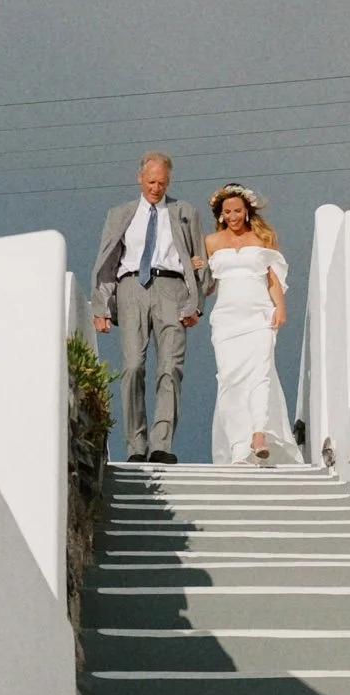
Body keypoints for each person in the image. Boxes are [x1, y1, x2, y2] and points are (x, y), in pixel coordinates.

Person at [91, 151, 211, 463]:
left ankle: (161, 444)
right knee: (133, 367)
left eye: (162, 182)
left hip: (171, 288)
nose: (156, 188)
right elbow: (107, 261)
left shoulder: (184, 211)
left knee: (170, 367)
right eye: (151, 181)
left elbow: (200, 260)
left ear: (169, 182)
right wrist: (101, 306)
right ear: (140, 178)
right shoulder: (121, 214)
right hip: (131, 287)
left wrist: (196, 304)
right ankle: (136, 446)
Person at [205, 182, 295, 466]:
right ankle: (238, 448)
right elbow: (207, 286)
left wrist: (279, 307)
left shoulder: (263, 238)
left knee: (260, 374)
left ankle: (258, 434)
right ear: (220, 214)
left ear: (247, 212)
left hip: (258, 315)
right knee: (230, 380)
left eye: (237, 211)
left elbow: (272, 279)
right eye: (227, 212)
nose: (232, 216)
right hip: (226, 319)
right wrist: (197, 267)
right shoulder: (211, 242)